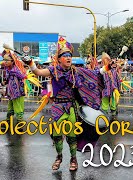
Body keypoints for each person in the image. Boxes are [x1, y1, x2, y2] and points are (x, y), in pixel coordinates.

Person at [23, 37, 106, 171]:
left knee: (72, 135)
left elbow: (94, 74)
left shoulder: (76, 71)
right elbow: (37, 72)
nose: (68, 58)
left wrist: (106, 68)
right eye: (65, 56)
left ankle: (73, 160)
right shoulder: (53, 70)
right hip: (57, 107)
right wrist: (31, 63)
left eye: (70, 56)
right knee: (57, 136)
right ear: (59, 58)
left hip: (71, 108)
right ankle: (59, 156)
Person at [0, 49, 26, 129]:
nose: (5, 61)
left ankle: (20, 123)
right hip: (11, 92)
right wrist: (3, 83)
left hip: (18, 92)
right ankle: (8, 121)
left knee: (18, 108)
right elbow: (7, 80)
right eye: (4, 60)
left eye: (7, 60)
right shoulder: (7, 69)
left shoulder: (16, 69)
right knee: (10, 108)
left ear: (12, 61)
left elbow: (23, 76)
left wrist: (14, 73)